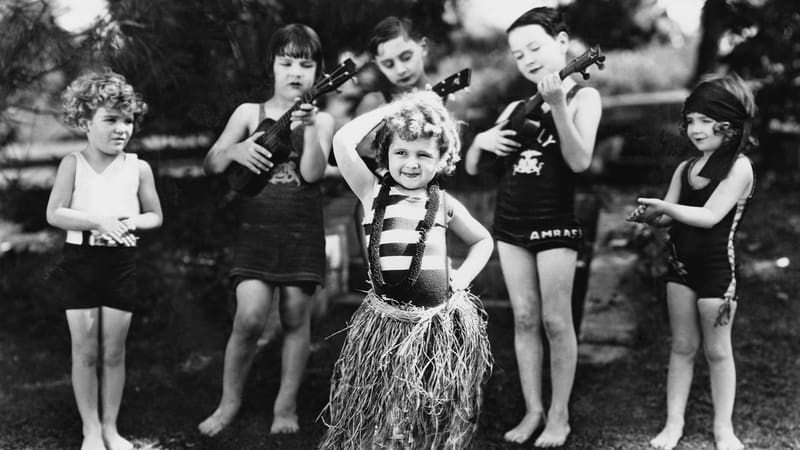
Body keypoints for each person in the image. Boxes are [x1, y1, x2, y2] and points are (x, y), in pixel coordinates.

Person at [320, 91, 494, 449]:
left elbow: (483, 241)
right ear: (385, 155)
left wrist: (462, 278)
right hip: (385, 326)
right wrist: (396, 109)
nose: (411, 163)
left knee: (428, 410)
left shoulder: (443, 203)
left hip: (434, 330)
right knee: (384, 413)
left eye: (423, 155)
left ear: (442, 159)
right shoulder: (371, 191)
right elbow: (342, 141)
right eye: (401, 152)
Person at [464, 7, 602, 447]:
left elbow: (580, 161)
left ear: (562, 43)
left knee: (556, 321)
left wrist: (559, 104)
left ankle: (559, 416)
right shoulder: (514, 107)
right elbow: (472, 167)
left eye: (535, 48)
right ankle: (533, 410)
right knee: (523, 318)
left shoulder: (583, 98)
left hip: (554, 221)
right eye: (518, 54)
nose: (527, 59)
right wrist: (480, 141)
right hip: (511, 222)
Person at [198, 23, 334, 436]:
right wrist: (235, 148)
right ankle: (229, 402)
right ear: (272, 67)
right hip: (256, 232)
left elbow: (311, 173)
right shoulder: (248, 113)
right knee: (250, 318)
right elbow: (211, 163)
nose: (296, 72)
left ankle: (285, 406)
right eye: (286, 62)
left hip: (300, 232)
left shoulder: (323, 119)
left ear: (317, 72)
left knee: (295, 317)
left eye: (306, 65)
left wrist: (309, 128)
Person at [628, 73, 756, 450]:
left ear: (728, 124)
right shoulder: (685, 168)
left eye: (705, 120)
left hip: (718, 273)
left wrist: (666, 207)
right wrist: (651, 216)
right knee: (682, 347)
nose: (695, 129)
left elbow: (710, 216)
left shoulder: (739, 167)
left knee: (718, 351)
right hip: (679, 268)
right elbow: (670, 217)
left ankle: (723, 430)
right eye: (691, 120)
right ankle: (673, 424)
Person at [46, 69, 163, 450]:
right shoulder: (72, 164)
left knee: (113, 352)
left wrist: (126, 223)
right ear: (84, 122)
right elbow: (55, 213)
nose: (121, 129)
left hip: (120, 265)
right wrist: (97, 220)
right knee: (85, 351)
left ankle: (111, 428)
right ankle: (90, 430)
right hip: (80, 263)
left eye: (127, 120)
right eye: (110, 119)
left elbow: (155, 215)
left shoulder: (137, 167)